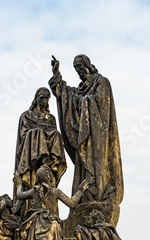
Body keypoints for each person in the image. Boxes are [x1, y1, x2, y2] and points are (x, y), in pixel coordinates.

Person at [49, 54, 123, 205]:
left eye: (80, 67)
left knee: (96, 165)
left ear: (87, 65)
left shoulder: (102, 82)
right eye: (76, 68)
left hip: (97, 134)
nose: (78, 71)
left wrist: (84, 102)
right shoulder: (79, 89)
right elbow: (65, 94)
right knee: (83, 163)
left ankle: (98, 194)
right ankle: (84, 197)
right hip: (84, 133)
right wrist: (56, 73)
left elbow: (101, 102)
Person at [14, 87, 67, 218]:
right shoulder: (26, 116)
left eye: (47, 99)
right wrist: (39, 133)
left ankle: (52, 162)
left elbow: (53, 133)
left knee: (57, 135)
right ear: (36, 99)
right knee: (37, 132)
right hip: (30, 159)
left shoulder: (51, 118)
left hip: (46, 164)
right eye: (42, 98)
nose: (44, 101)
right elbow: (24, 135)